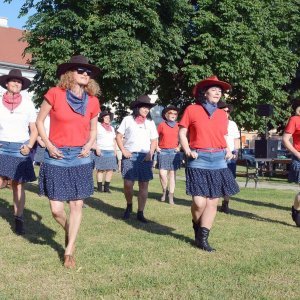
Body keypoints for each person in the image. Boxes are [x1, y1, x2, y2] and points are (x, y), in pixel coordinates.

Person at [36, 55, 101, 268]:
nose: (85, 74)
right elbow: (39, 121)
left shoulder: (92, 100)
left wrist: (89, 144)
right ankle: (68, 230)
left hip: (80, 157)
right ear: (69, 73)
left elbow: (93, 128)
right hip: (56, 155)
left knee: (76, 204)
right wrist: (48, 144)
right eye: (80, 71)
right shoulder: (55, 94)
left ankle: (69, 251)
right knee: (56, 209)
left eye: (87, 72)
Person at [179, 75, 240, 252]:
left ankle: (203, 238)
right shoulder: (192, 109)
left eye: (220, 91)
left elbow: (222, 137)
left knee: (212, 202)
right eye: (214, 89)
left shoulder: (223, 115)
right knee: (199, 202)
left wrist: (229, 150)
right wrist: (187, 149)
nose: (217, 93)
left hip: (219, 159)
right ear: (204, 93)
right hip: (199, 159)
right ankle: (196, 226)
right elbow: (183, 133)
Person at [0, 69, 38, 235]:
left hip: (20, 148)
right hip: (1, 146)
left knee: (18, 185)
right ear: (6, 84)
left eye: (19, 82)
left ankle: (19, 219)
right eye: (13, 81)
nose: (16, 83)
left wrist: (29, 146)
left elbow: (34, 129)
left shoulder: (28, 103)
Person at [116, 95, 158, 223]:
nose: (146, 110)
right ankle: (129, 205)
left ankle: (140, 212)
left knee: (144, 184)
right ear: (137, 107)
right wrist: (123, 150)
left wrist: (151, 153)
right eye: (144, 107)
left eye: (148, 108)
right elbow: (118, 136)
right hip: (130, 155)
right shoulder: (127, 120)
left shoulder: (150, 122)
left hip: (145, 156)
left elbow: (154, 140)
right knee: (128, 184)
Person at [217, 101, 240, 213]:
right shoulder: (214, 123)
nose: (226, 113)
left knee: (229, 179)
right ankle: (212, 202)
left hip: (230, 155)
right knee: (216, 178)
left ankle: (225, 203)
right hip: (217, 153)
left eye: (228, 111)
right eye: (224, 111)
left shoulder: (232, 124)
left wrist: (236, 152)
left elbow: (236, 139)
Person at [157, 105, 181, 204]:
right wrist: (157, 147)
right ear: (166, 115)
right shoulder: (161, 125)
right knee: (162, 174)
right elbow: (154, 137)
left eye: (175, 114)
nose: (173, 115)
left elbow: (183, 137)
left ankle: (171, 196)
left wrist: (179, 147)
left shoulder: (179, 125)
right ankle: (164, 190)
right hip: (163, 151)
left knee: (172, 174)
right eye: (171, 113)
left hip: (174, 152)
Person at [282, 99, 300, 227]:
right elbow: (285, 139)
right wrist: (297, 154)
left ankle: (295, 209)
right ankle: (296, 209)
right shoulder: (295, 119)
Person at [93, 111, 117, 193]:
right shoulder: (98, 127)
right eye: (106, 117)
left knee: (110, 170)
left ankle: (106, 188)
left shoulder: (112, 128)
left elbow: (114, 140)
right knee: (100, 170)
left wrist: (115, 150)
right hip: (101, 150)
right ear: (102, 118)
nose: (108, 119)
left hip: (110, 151)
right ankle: (99, 188)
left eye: (109, 117)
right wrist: (97, 148)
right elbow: (94, 138)